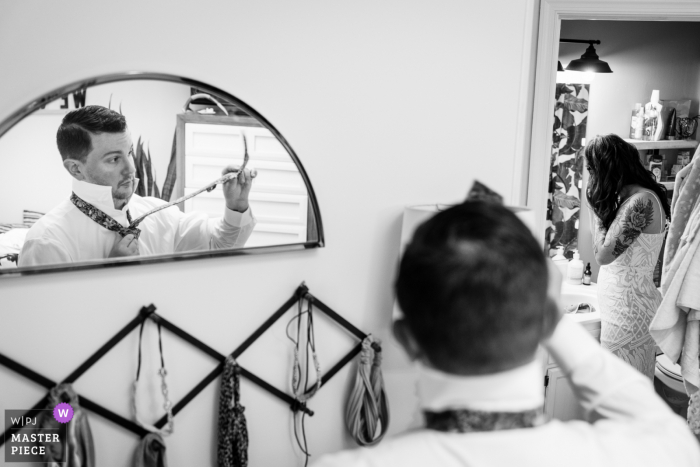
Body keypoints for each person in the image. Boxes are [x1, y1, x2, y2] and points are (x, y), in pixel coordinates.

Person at [313, 201, 699, 467]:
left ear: (406, 337)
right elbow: (645, 413)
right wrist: (551, 319)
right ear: (546, 322)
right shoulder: (650, 454)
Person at [19, 105, 256, 267]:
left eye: (129, 153)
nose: (131, 169)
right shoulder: (46, 241)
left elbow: (218, 246)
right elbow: (47, 329)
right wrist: (106, 276)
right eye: (114, 159)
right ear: (75, 169)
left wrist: (236, 206)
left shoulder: (158, 214)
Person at [585, 134, 671, 380]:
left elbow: (603, 255)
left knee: (623, 393)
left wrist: (596, 210)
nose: (591, 176)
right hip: (621, 310)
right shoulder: (628, 200)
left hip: (630, 314)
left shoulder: (641, 202)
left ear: (608, 166)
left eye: (592, 169)